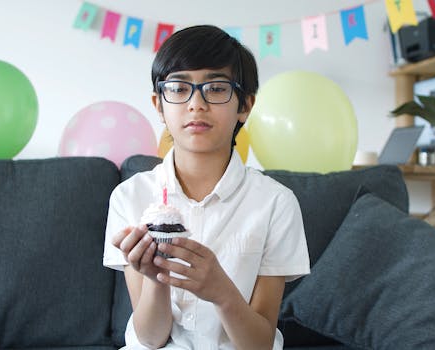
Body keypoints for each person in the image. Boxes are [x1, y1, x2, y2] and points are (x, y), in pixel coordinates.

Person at [104, 24, 310, 350]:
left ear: (245, 106)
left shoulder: (276, 204)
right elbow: (150, 337)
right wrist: (156, 280)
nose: (196, 104)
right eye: (179, 87)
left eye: (215, 88)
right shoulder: (130, 198)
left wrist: (221, 292)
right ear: (159, 104)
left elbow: (258, 344)